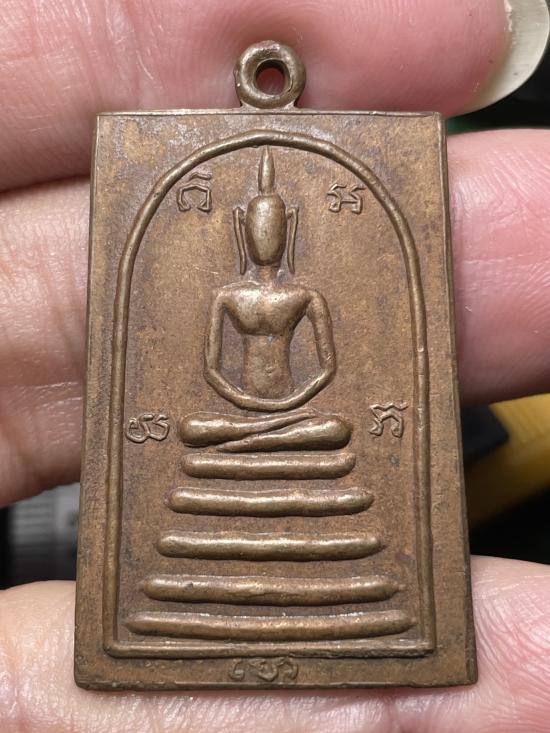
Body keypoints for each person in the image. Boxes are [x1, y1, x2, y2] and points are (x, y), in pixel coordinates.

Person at [1, 0, 550, 730]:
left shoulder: (304, 294)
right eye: (255, 227)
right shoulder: (227, 295)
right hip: (232, 415)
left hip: (302, 417)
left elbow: (324, 369)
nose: (264, 238)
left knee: (329, 432)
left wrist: (288, 404)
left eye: (272, 227)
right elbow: (210, 367)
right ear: (244, 229)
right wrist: (247, 405)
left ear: (283, 229)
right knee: (200, 436)